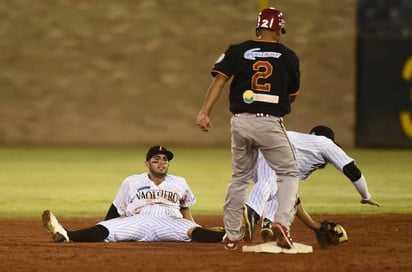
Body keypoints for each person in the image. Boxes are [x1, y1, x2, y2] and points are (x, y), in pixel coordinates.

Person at [196, 7, 301, 250]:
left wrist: (205, 112)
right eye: (279, 31)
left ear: (258, 27)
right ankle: (282, 223)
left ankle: (232, 235)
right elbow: (291, 95)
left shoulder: (237, 50)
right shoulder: (288, 56)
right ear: (276, 29)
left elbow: (219, 80)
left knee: (240, 178)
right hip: (269, 122)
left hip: (241, 121)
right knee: (288, 173)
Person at [42, 146, 225, 243]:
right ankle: (66, 234)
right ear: (147, 164)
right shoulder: (132, 181)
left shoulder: (180, 182)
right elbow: (116, 207)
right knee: (107, 230)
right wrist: (108, 223)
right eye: (156, 160)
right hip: (139, 219)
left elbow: (185, 207)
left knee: (195, 233)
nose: (161, 163)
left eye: (165, 160)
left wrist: (197, 227)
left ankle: (229, 234)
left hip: (170, 220)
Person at [243, 125, 380, 243]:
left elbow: (293, 200)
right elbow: (351, 169)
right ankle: (251, 210)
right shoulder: (326, 143)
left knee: (277, 191)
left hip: (259, 149)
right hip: (276, 146)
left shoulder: (302, 149)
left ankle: (267, 223)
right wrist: (366, 195)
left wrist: (315, 226)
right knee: (268, 182)